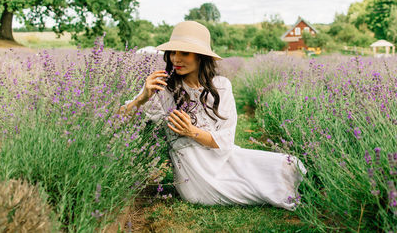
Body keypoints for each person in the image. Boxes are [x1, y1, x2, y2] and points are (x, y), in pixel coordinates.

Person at [118, 21, 307, 211]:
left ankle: (306, 189)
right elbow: (118, 119)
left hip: (223, 157)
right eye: (173, 52)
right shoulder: (163, 87)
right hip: (193, 174)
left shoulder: (221, 85)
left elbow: (226, 140)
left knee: (289, 165)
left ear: (201, 56)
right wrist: (142, 98)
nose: (176, 59)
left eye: (184, 53)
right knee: (255, 187)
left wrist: (192, 131)